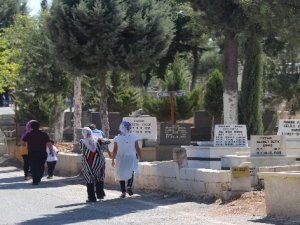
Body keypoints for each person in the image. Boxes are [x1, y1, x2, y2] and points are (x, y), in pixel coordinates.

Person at [112, 121, 142, 198]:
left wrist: (112, 160)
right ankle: (129, 186)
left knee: (121, 174)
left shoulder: (117, 138)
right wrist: (140, 156)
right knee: (131, 171)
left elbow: (115, 150)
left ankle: (123, 192)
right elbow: (137, 148)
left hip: (121, 158)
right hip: (131, 157)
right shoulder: (134, 137)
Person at [79, 127, 110, 203]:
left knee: (89, 179)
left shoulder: (82, 141)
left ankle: (92, 198)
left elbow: (82, 149)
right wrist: (100, 138)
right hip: (99, 162)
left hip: (88, 163)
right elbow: (108, 141)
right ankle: (100, 194)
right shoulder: (97, 140)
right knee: (99, 177)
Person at [22, 120, 50, 185]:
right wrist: (51, 150)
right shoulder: (44, 134)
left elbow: (23, 141)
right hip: (42, 153)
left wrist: (25, 145)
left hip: (32, 153)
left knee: (33, 166)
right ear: (39, 126)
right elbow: (48, 142)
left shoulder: (29, 134)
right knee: (41, 166)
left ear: (31, 127)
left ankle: (35, 181)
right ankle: (39, 177)